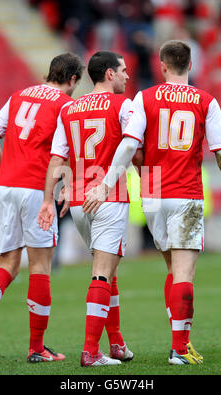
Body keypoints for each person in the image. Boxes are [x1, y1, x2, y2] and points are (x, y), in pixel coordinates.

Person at [83, 40, 221, 365]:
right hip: (185, 191)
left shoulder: (144, 98)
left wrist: (105, 184)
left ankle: (181, 341)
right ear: (191, 65)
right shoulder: (205, 101)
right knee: (184, 273)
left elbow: (130, 146)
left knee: (173, 271)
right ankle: (179, 349)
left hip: (153, 191)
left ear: (163, 66)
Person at [0, 52, 84, 364]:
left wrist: (6, 173)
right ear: (72, 80)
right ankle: (36, 347)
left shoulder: (18, 96)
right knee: (40, 266)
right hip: (35, 189)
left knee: (8, 264)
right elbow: (65, 154)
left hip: (5, 187)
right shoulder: (66, 104)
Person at [37, 51, 136, 367]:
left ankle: (117, 343)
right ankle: (91, 351)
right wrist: (107, 183)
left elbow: (57, 158)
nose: (127, 76)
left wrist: (50, 198)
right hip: (107, 197)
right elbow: (132, 144)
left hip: (78, 202)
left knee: (108, 269)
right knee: (102, 273)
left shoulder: (69, 108)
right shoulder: (123, 105)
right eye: (123, 71)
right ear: (109, 74)